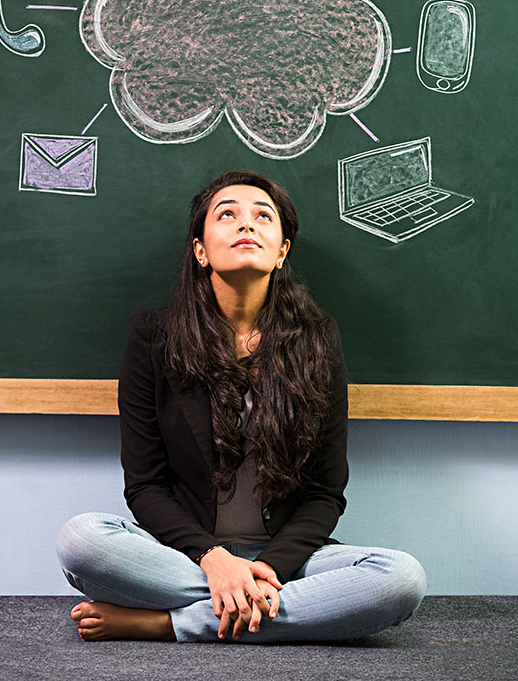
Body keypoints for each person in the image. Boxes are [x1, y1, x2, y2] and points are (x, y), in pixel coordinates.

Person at [56, 170, 427, 644]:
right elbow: (146, 486)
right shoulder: (153, 337)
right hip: (185, 557)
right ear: (200, 250)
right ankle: (282, 609)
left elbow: (325, 493)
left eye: (262, 216)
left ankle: (170, 623)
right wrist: (215, 561)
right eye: (227, 214)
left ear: (282, 252)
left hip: (286, 562)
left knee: (401, 578)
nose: (246, 224)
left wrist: (269, 567)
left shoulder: (317, 340)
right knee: (81, 540)